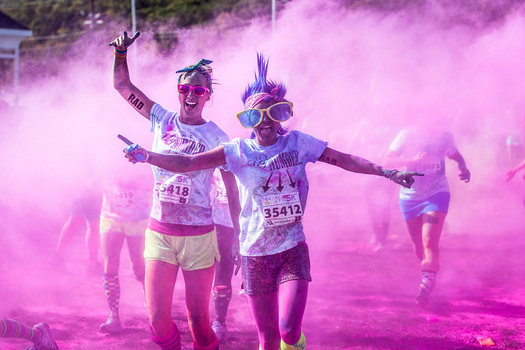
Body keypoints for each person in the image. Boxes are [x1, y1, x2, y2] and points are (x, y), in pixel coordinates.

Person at [122, 53, 422, 350]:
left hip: (291, 248)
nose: (264, 122)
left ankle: (294, 343)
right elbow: (187, 163)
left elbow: (345, 160)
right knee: (267, 340)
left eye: (272, 113)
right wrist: (147, 156)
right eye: (254, 115)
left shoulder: (299, 143)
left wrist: (388, 172)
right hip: (256, 254)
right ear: (247, 119)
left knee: (289, 332)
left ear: (282, 114)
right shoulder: (237, 150)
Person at [110, 31, 240, 350]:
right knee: (156, 321)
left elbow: (232, 189)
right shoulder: (161, 119)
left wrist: (237, 233)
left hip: (198, 236)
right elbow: (123, 87)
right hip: (160, 232)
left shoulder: (218, 137)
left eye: (198, 89)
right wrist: (121, 54)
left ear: (207, 95)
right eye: (185, 88)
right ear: (178, 92)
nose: (191, 94)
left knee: (198, 321)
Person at [384, 125, 470, 307]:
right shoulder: (406, 134)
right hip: (410, 197)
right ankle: (431, 271)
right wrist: (411, 160)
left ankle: (424, 290)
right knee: (419, 249)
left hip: (437, 194)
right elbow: (387, 161)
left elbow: (456, 155)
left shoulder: (445, 135)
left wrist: (463, 167)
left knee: (430, 242)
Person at [98, 167, 151, 334]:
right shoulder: (105, 153)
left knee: (139, 267)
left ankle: (152, 309)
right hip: (110, 217)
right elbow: (93, 180)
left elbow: (152, 180)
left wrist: (131, 181)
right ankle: (113, 316)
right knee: (110, 264)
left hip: (137, 217)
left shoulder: (139, 147)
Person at [50, 181, 103, 275]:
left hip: (75, 188)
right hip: (89, 192)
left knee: (73, 220)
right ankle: (93, 264)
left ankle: (57, 257)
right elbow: (93, 182)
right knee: (93, 226)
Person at [209, 169, 236, 342]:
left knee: (223, 273)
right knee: (200, 273)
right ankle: (202, 319)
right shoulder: (206, 159)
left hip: (232, 226)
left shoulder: (245, 157)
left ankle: (220, 321)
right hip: (206, 223)